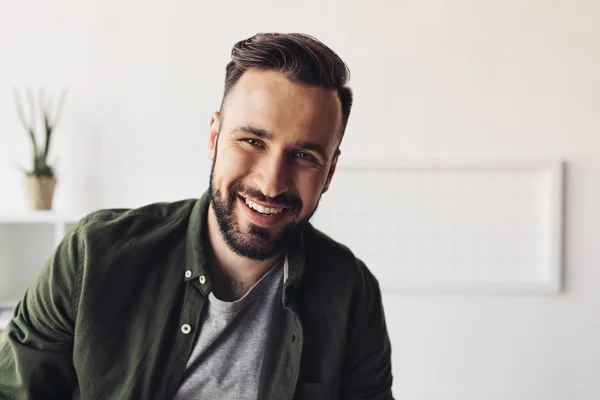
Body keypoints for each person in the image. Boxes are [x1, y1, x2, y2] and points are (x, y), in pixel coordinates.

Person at [0, 32, 393, 399]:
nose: (272, 184)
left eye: (304, 156)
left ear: (330, 172)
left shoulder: (351, 292)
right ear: (214, 136)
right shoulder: (91, 256)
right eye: (252, 141)